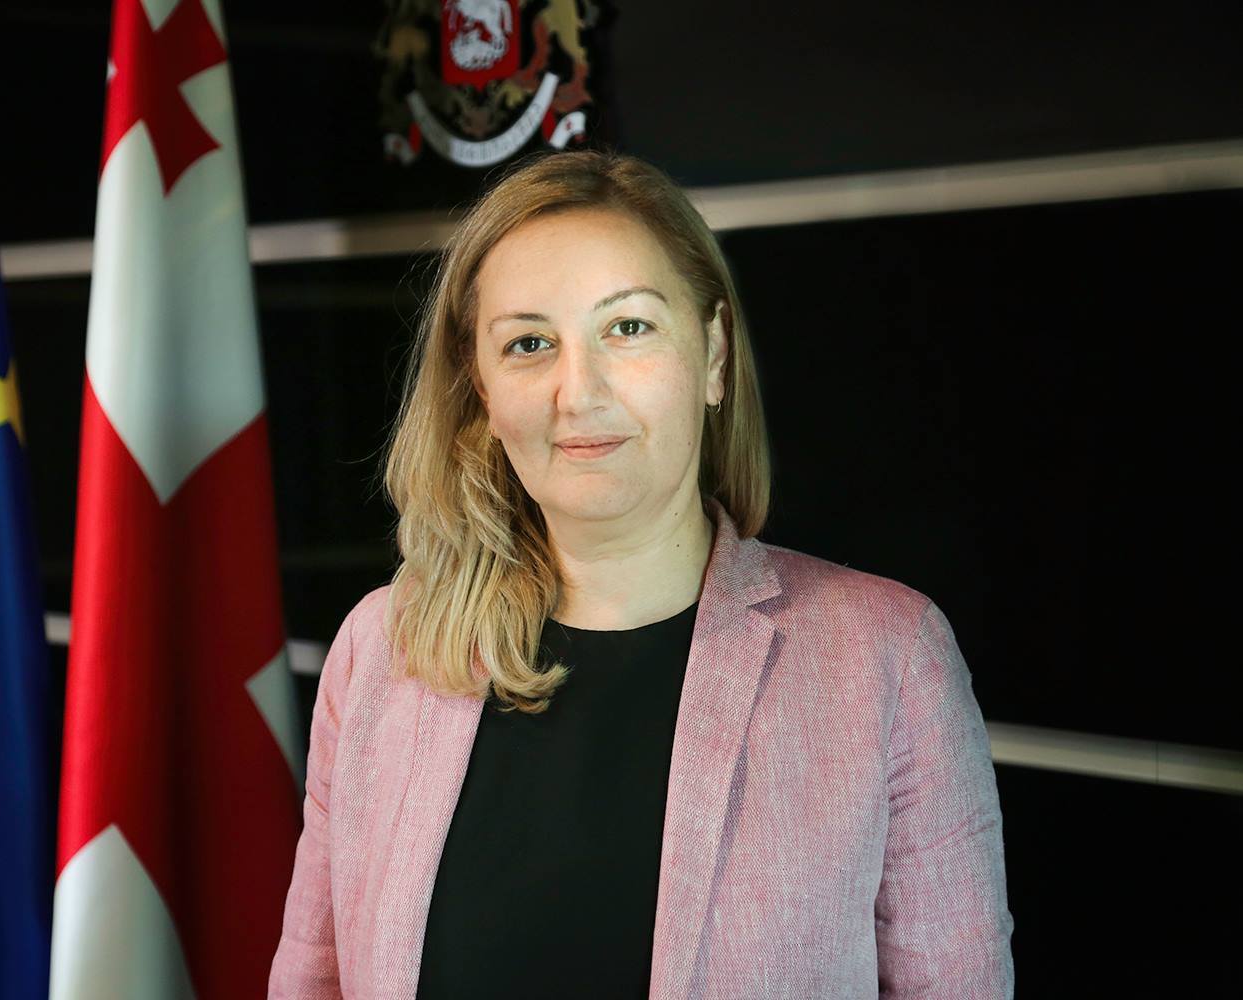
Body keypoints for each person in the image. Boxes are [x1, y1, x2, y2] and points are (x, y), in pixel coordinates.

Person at [267, 150, 1014, 999]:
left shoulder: (889, 658)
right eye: (529, 343)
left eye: (627, 328)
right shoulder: (381, 648)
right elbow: (311, 981)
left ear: (714, 355)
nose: (578, 392)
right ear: (480, 388)